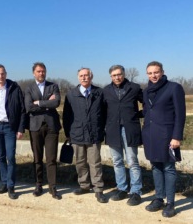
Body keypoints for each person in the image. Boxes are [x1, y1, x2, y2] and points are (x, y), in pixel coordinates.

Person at [142, 61, 186, 218]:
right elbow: (147, 111)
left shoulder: (174, 88)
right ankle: (158, 198)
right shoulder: (146, 91)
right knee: (155, 167)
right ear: (147, 74)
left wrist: (176, 136)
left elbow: (180, 115)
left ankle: (171, 203)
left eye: (156, 72)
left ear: (162, 72)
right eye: (150, 73)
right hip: (150, 135)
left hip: (167, 136)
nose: (153, 75)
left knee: (168, 168)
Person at [63, 67, 107, 203]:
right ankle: (84, 185)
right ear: (78, 77)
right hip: (77, 133)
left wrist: (101, 129)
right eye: (81, 75)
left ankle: (98, 189)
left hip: (94, 134)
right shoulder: (71, 94)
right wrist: (68, 133)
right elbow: (66, 116)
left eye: (86, 75)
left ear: (91, 76)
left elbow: (105, 113)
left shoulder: (99, 93)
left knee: (95, 162)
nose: (84, 78)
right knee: (80, 162)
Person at [103, 65, 143, 206]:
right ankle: (122, 188)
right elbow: (102, 111)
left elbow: (148, 104)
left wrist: (138, 114)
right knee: (117, 161)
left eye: (119, 74)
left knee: (132, 161)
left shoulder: (134, 88)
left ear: (124, 74)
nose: (117, 77)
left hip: (129, 129)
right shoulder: (106, 91)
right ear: (111, 77)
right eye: (114, 75)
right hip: (113, 129)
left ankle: (136, 191)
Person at [0, 64, 26, 200]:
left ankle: (11, 186)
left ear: (6, 74)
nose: (0, 76)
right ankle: (4, 182)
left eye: (2, 73)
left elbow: (22, 109)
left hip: (10, 127)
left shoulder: (15, 88)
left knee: (11, 157)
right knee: (1, 157)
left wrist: (21, 128)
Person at [24, 62, 62, 200]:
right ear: (34, 73)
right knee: (37, 158)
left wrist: (39, 102)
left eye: (43, 71)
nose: (41, 73)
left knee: (51, 159)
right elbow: (28, 107)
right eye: (39, 71)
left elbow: (56, 102)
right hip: (35, 127)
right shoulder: (29, 88)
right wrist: (47, 103)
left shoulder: (53, 86)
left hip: (52, 127)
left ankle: (53, 187)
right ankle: (38, 184)